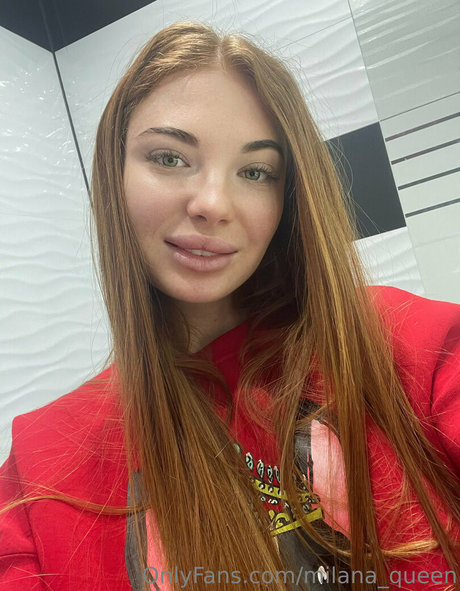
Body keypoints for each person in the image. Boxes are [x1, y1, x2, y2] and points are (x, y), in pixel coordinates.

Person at [0, 20, 459, 591]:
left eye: (255, 171)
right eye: (169, 158)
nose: (214, 203)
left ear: (288, 198)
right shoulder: (42, 468)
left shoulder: (412, 345)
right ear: (114, 175)